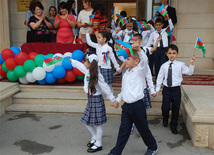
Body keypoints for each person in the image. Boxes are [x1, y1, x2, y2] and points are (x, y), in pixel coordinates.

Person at [106, 46, 158, 155]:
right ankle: (116, 152)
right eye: (126, 59)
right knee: (123, 131)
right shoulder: (126, 74)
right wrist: (117, 100)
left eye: (128, 59)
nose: (125, 61)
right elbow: (123, 90)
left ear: (136, 61)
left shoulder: (140, 71)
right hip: (127, 107)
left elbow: (145, 61)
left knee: (143, 129)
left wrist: (139, 50)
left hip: (138, 106)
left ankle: (152, 147)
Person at [69, 53, 116, 153]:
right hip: (90, 100)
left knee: (98, 123)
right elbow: (80, 66)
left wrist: (112, 99)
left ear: (91, 63)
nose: (84, 63)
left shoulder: (97, 75)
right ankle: (94, 136)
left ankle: (98, 143)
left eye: (86, 61)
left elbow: (105, 87)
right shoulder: (87, 70)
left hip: (97, 99)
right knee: (86, 120)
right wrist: (73, 61)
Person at [155, 44, 195, 134]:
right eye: (170, 53)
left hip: (176, 89)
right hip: (167, 89)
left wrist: (191, 63)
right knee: (165, 107)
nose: (172, 55)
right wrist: (157, 90)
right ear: (166, 54)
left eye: (174, 53)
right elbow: (160, 78)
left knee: (175, 108)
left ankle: (174, 125)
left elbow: (189, 72)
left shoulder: (181, 65)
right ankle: (165, 118)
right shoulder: (164, 66)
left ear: (177, 54)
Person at [86, 27, 121, 92]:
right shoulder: (97, 46)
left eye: (99, 37)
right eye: (97, 37)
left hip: (106, 67)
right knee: (100, 81)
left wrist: (117, 67)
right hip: (99, 67)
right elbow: (89, 43)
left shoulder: (108, 48)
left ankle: (110, 94)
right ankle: (101, 93)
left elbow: (113, 58)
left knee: (108, 83)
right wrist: (87, 34)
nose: (97, 39)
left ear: (104, 39)